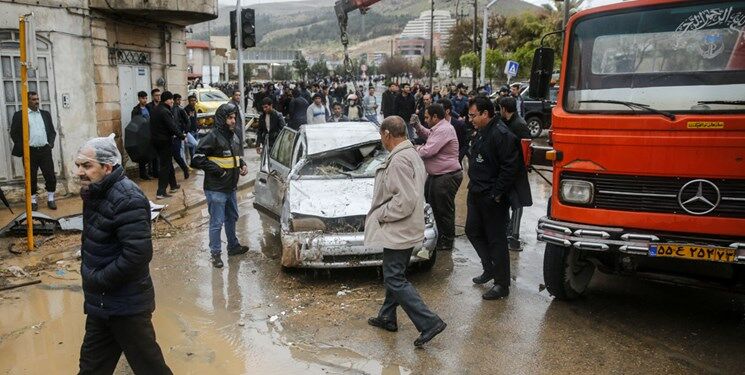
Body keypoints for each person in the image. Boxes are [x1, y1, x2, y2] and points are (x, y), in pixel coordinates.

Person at [75, 135, 171, 374]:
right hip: (102, 304)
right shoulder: (95, 193)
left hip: (126, 306)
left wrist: (97, 279)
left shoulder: (127, 198)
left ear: (107, 167)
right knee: (91, 368)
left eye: (87, 166)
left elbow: (137, 255)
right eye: (78, 165)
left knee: (150, 367)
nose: (80, 172)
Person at [364, 115, 447, 348]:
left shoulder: (400, 160)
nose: (381, 140)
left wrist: (381, 214)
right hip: (407, 227)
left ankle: (429, 322)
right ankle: (387, 316)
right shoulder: (410, 153)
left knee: (394, 278)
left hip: (400, 228)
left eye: (381, 136)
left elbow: (405, 201)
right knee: (394, 272)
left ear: (387, 134)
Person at [465, 96, 530, 300]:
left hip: (491, 197)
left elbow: (510, 168)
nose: (470, 119)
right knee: (472, 230)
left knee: (496, 240)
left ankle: (502, 284)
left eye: (473, 115)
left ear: (485, 114)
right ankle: (489, 268)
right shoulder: (482, 132)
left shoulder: (502, 134)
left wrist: (496, 194)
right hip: (476, 192)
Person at [191, 103, 250, 268]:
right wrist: (219, 172)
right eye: (230, 118)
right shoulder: (213, 137)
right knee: (216, 223)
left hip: (230, 188)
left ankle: (233, 246)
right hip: (216, 189)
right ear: (222, 119)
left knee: (232, 217)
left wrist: (242, 164)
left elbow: (234, 156)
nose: (233, 121)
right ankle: (215, 254)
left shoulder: (234, 136)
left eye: (234, 118)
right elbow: (196, 158)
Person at [412, 104, 462, 251]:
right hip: (437, 175)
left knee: (443, 210)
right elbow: (429, 135)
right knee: (432, 208)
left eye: (427, 117)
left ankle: (446, 241)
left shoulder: (444, 129)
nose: (426, 120)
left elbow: (428, 151)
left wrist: (413, 148)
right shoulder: (439, 128)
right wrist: (418, 127)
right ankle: (439, 236)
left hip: (446, 176)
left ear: (435, 117)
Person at [10, 91, 58, 210]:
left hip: (45, 151)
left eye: (37, 99)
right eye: (33, 99)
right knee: (31, 177)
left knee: (50, 175)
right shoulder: (19, 115)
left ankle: (51, 199)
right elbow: (14, 133)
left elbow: (52, 131)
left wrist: (50, 144)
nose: (37, 101)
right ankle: (33, 201)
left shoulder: (45, 114)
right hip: (29, 152)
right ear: (27, 101)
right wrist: (23, 147)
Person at [498, 96, 533, 251]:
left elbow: (525, 150)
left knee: (517, 203)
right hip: (509, 170)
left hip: (516, 172)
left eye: (500, 108)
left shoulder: (519, 125)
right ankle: (509, 231)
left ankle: (514, 236)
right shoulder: (509, 123)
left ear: (504, 109)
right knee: (510, 201)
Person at [150, 91, 185, 199]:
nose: (172, 102)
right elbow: (172, 126)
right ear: (167, 100)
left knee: (168, 163)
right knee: (165, 166)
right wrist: (182, 136)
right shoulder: (165, 111)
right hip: (164, 142)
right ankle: (160, 192)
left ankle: (173, 185)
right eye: (170, 100)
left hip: (157, 141)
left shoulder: (156, 109)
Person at [131, 91, 154, 180]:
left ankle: (150, 171)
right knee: (142, 156)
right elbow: (134, 123)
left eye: (146, 98)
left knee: (150, 154)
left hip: (150, 133)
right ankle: (143, 174)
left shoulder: (149, 108)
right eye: (143, 98)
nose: (145, 100)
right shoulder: (135, 110)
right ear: (139, 99)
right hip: (141, 135)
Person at [439, 98, 469, 164]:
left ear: (447, 111)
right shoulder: (435, 124)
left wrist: (457, 158)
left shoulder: (459, 125)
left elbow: (465, 145)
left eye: (439, 110)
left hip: (454, 164)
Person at [171, 94, 191, 180]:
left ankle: (185, 168)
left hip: (177, 136)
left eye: (180, 99)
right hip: (169, 136)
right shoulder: (168, 109)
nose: (179, 101)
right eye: (177, 100)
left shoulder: (180, 109)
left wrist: (185, 132)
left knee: (177, 155)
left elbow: (188, 121)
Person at [229, 90, 245, 155]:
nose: (238, 97)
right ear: (233, 96)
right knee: (236, 148)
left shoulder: (237, 104)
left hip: (238, 128)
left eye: (239, 95)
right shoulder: (231, 105)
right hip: (235, 129)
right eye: (236, 95)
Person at [184, 94, 199, 160]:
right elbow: (185, 121)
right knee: (192, 148)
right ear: (189, 101)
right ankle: (192, 161)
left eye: (194, 100)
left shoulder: (194, 108)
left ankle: (194, 161)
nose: (193, 102)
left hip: (195, 130)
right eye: (191, 101)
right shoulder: (186, 109)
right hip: (190, 131)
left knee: (195, 148)